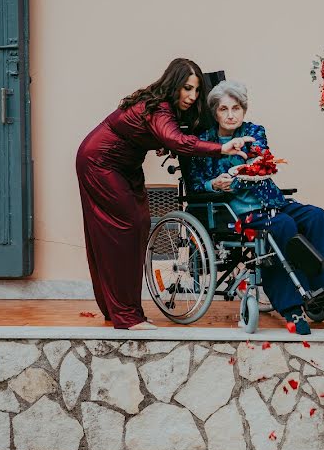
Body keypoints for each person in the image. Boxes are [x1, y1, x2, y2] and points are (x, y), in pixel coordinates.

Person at [76, 58, 254, 330]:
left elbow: (163, 136)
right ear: (173, 84)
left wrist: (159, 142)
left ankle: (119, 308)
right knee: (124, 232)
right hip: (101, 163)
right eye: (187, 89)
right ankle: (126, 316)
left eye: (196, 90)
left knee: (138, 227)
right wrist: (220, 148)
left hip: (127, 165)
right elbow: (176, 139)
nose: (192, 96)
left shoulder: (163, 105)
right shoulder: (159, 107)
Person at [186, 80, 324, 335]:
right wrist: (214, 184)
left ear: (243, 110)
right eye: (223, 109)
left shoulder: (254, 131)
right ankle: (291, 306)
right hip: (237, 213)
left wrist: (247, 160)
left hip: (272, 202)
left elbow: (262, 158)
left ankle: (321, 289)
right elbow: (196, 183)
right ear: (214, 112)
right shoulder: (203, 142)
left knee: (315, 215)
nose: (230, 115)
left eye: (236, 108)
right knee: (283, 225)